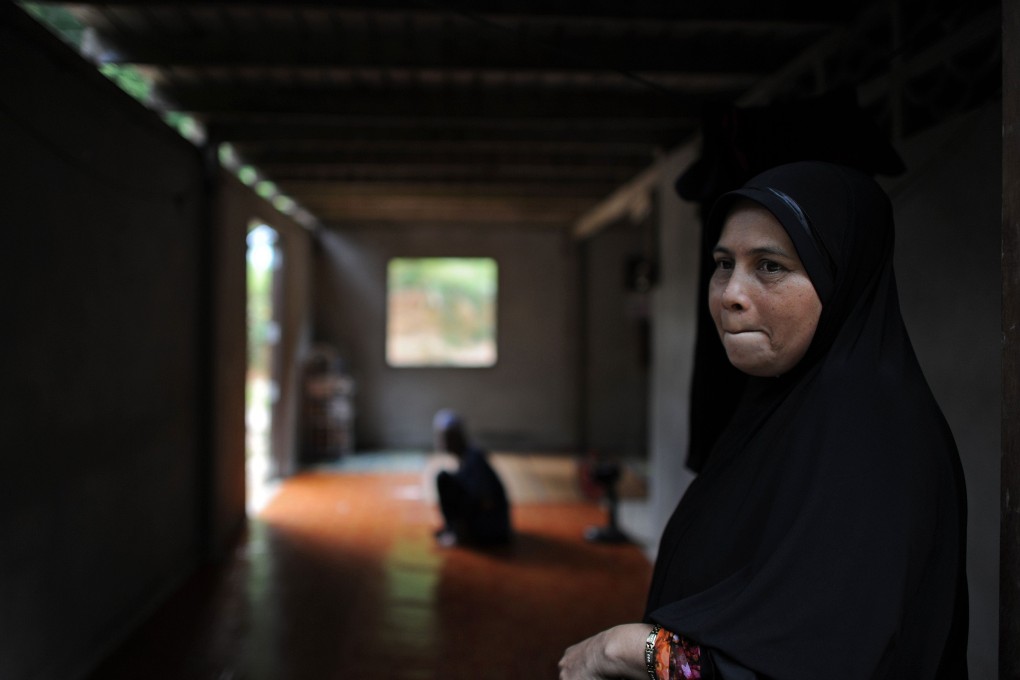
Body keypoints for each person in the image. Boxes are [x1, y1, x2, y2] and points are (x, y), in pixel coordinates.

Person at [559, 161, 969, 679]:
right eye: (723, 263)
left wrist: (630, 648)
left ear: (841, 277)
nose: (730, 292)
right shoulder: (780, 410)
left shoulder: (869, 436)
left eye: (771, 266)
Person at [432, 409, 512, 547]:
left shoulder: (474, 459)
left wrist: (462, 524)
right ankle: (455, 529)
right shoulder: (468, 457)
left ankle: (457, 533)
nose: (442, 442)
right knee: (448, 480)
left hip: (492, 531)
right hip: (492, 527)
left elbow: (486, 499)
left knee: (443, 479)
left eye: (445, 437)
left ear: (456, 437)